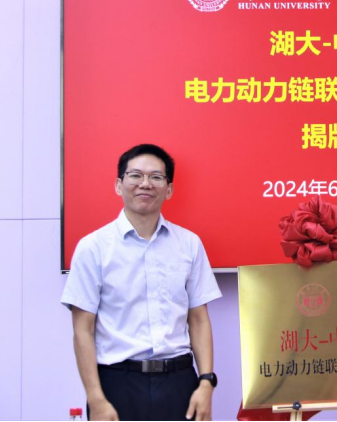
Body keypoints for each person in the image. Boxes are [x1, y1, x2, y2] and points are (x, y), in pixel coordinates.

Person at [61, 144, 222, 421]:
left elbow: (198, 319)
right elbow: (82, 330)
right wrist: (96, 398)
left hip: (179, 382)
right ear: (119, 185)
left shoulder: (189, 244)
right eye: (135, 175)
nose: (145, 184)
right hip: (118, 383)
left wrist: (206, 382)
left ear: (168, 189)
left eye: (156, 177)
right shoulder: (93, 247)